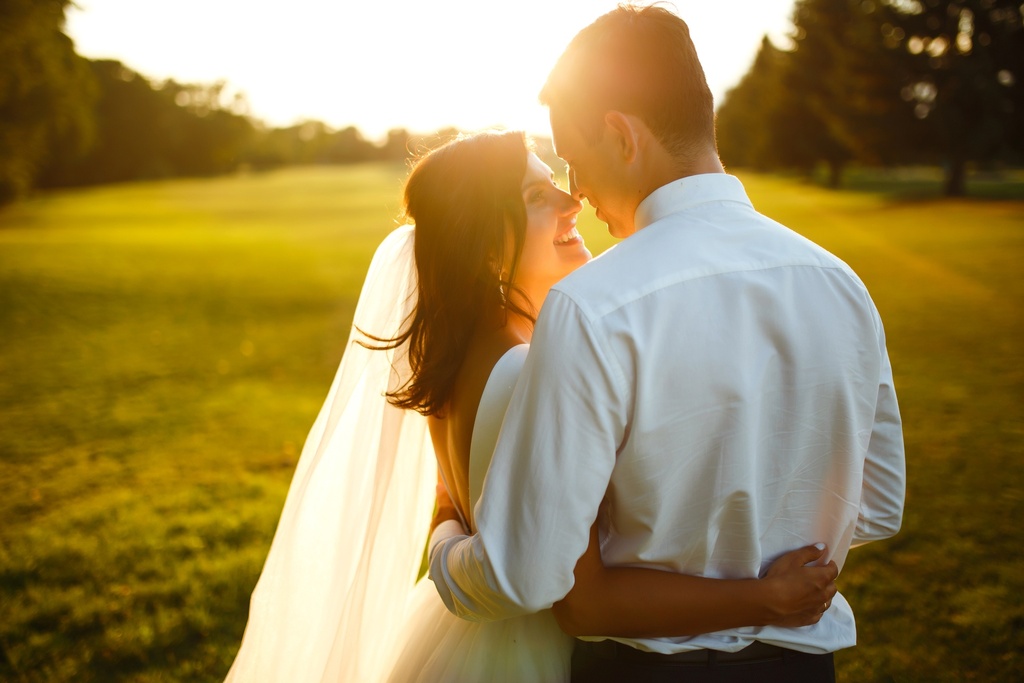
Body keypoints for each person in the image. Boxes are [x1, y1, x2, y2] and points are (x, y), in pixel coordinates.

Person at [224, 130, 838, 683]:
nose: (572, 201)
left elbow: (459, 506)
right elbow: (580, 594)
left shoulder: (467, 352)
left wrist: (443, 532)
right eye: (539, 195)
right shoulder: (523, 372)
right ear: (489, 244)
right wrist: (766, 597)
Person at [428, 7, 907, 683]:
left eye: (574, 160)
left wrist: (444, 539)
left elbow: (524, 575)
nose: (578, 192)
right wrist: (767, 543)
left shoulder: (593, 307)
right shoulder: (839, 282)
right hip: (801, 668)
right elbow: (880, 503)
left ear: (621, 135)